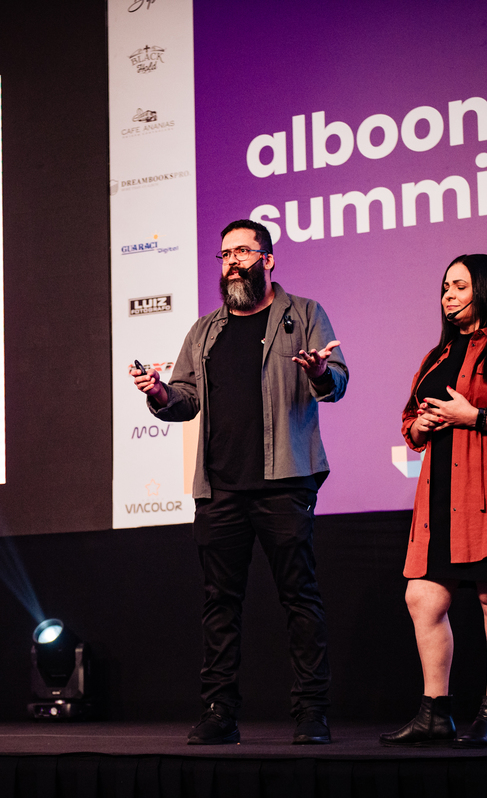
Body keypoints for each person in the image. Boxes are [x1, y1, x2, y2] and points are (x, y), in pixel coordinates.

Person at [130, 219, 347, 745]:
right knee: (219, 604)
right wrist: (158, 392)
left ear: (268, 260)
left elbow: (336, 382)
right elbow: (183, 400)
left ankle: (311, 712)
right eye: (226, 254)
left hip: (285, 482)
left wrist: (318, 372)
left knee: (300, 598)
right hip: (220, 489)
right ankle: (219, 712)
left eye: (244, 252)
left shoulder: (304, 314)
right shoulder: (205, 331)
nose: (232, 262)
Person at [380, 254, 487, 749]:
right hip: (440, 497)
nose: (447, 295)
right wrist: (420, 425)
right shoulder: (436, 357)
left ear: (486, 291)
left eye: (458, 286)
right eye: (444, 287)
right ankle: (435, 713)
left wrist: (472, 416)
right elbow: (410, 421)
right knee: (423, 597)